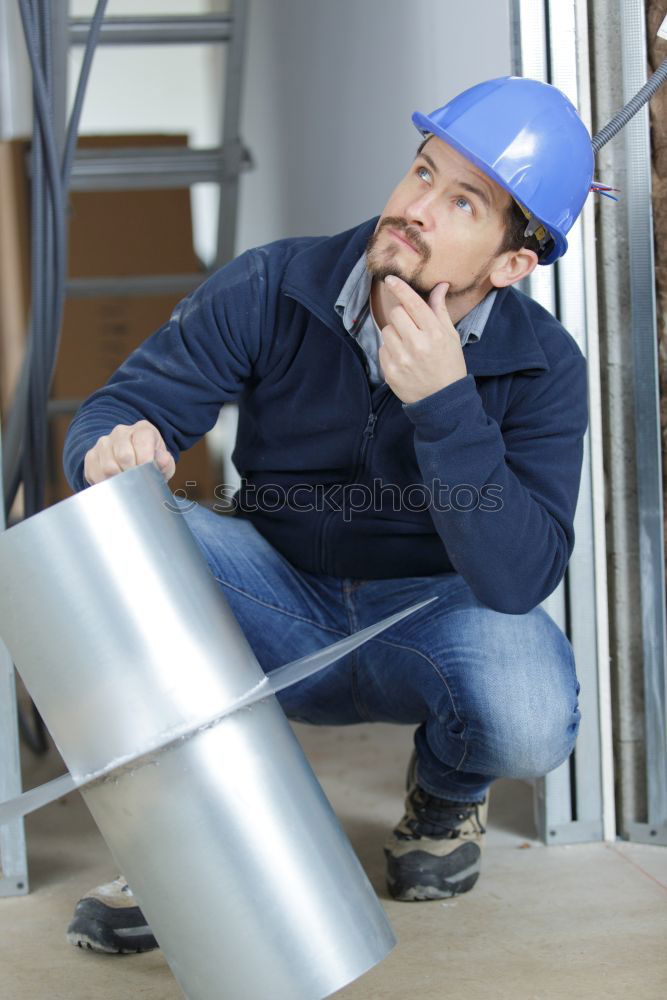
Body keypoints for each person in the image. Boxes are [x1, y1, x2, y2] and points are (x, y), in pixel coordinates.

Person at [63, 76, 592, 955]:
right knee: (123, 545)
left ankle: (447, 798)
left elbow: (520, 575)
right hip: (271, 595)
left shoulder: (544, 366)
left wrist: (446, 408)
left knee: (530, 703)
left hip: (431, 615)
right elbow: (119, 408)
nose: (416, 208)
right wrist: (112, 449)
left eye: (461, 201)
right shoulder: (275, 284)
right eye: (421, 172)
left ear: (510, 265)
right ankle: (185, 840)